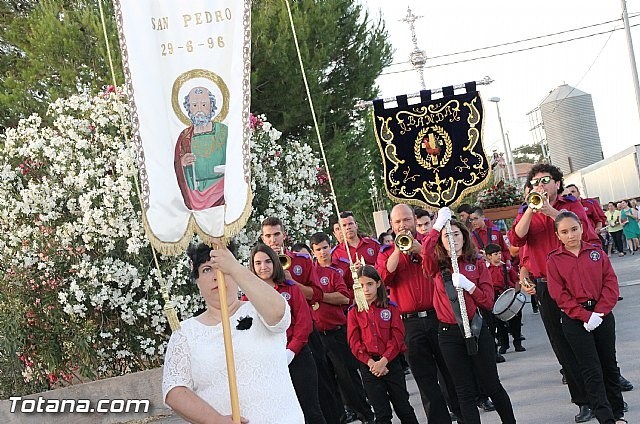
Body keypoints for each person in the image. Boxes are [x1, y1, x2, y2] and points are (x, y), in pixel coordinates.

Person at [162, 242, 303, 424]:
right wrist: (215, 420)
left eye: (223, 268)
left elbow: (279, 314)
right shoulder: (186, 333)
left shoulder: (259, 310)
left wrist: (233, 267)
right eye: (206, 270)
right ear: (196, 281)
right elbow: (174, 390)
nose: (216, 276)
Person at [509, 163, 599, 423]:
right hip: (547, 286)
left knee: (589, 341)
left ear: (557, 183)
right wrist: (529, 210)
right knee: (562, 346)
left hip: (576, 283)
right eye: (535, 182)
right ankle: (582, 401)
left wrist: (550, 211)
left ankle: (605, 394)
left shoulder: (571, 207)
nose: (541, 185)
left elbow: (587, 236)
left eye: (546, 180)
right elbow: (516, 242)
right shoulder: (527, 210)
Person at [422, 209, 516, 424]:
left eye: (455, 234)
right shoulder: (436, 266)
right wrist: (437, 226)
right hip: (449, 333)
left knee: (492, 385)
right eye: (447, 236)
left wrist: (469, 285)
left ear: (464, 237)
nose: (452, 239)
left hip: (475, 327)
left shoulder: (478, 263)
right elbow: (426, 252)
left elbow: (488, 301)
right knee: (464, 391)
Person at [375, 204, 461, 423]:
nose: (403, 225)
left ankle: (463, 416)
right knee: (425, 380)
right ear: (392, 226)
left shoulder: (429, 244)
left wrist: (419, 249)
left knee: (450, 373)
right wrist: (397, 250)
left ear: (414, 220)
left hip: (437, 316)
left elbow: (442, 265)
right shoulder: (385, 253)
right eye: (398, 222)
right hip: (409, 324)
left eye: (406, 220)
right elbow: (383, 280)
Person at [546, 211, 626, 424]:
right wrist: (584, 316)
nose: (570, 235)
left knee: (609, 364)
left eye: (574, 229)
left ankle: (618, 414)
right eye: (564, 232)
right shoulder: (554, 261)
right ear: (558, 235)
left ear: (581, 228)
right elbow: (558, 294)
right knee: (591, 369)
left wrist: (599, 312)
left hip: (602, 316)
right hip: (575, 320)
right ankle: (605, 417)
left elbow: (610, 283)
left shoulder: (597, 253)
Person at [261, 217, 342, 424]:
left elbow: (316, 294)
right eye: (268, 236)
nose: (273, 240)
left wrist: (291, 281)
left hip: (305, 333)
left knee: (321, 387)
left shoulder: (302, 261)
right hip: (276, 339)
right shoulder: (259, 265)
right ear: (263, 238)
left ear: (284, 235)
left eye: (276, 234)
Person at [249, 244, 326, 424]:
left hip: (298, 358)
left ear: (275, 262)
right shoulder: (249, 296)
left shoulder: (290, 288)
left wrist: (291, 351)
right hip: (269, 362)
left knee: (311, 411)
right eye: (258, 263)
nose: (263, 267)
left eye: (268, 261)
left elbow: (304, 323)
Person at [310, 232, 375, 424]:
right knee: (328, 381)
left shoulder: (334, 271)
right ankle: (341, 415)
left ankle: (365, 414)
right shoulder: (309, 274)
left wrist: (317, 296)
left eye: (324, 247)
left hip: (337, 329)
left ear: (330, 246)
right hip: (317, 335)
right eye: (318, 249)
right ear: (313, 252)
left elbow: (346, 297)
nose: (322, 252)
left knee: (348, 377)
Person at [347, 265, 420, 424]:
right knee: (382, 414)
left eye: (370, 284)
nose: (366, 289)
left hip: (391, 363)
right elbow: (354, 342)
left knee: (403, 408)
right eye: (361, 285)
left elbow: (398, 336)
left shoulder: (390, 307)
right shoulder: (354, 311)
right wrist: (372, 363)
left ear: (378, 283)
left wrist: (384, 361)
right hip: (369, 367)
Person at [174, 87, 227, 210]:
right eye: (194, 105)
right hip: (194, 193)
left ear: (212, 106)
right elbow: (174, 165)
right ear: (188, 108)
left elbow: (235, 158)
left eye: (204, 104)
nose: (199, 110)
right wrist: (182, 162)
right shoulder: (185, 136)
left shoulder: (223, 131)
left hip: (221, 191)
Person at [484, 243, 525, 354]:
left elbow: (516, 280)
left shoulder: (506, 267)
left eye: (499, 253)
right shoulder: (486, 270)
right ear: (488, 256)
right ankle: (504, 344)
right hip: (496, 297)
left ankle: (518, 342)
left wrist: (516, 294)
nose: (499, 256)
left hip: (509, 295)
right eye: (495, 254)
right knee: (499, 323)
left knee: (515, 320)